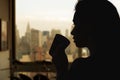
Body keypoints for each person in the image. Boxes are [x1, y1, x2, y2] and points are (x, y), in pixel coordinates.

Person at [49, 0, 120, 80]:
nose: (72, 32)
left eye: (77, 24)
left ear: (91, 26)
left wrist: (61, 69)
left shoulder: (81, 68)